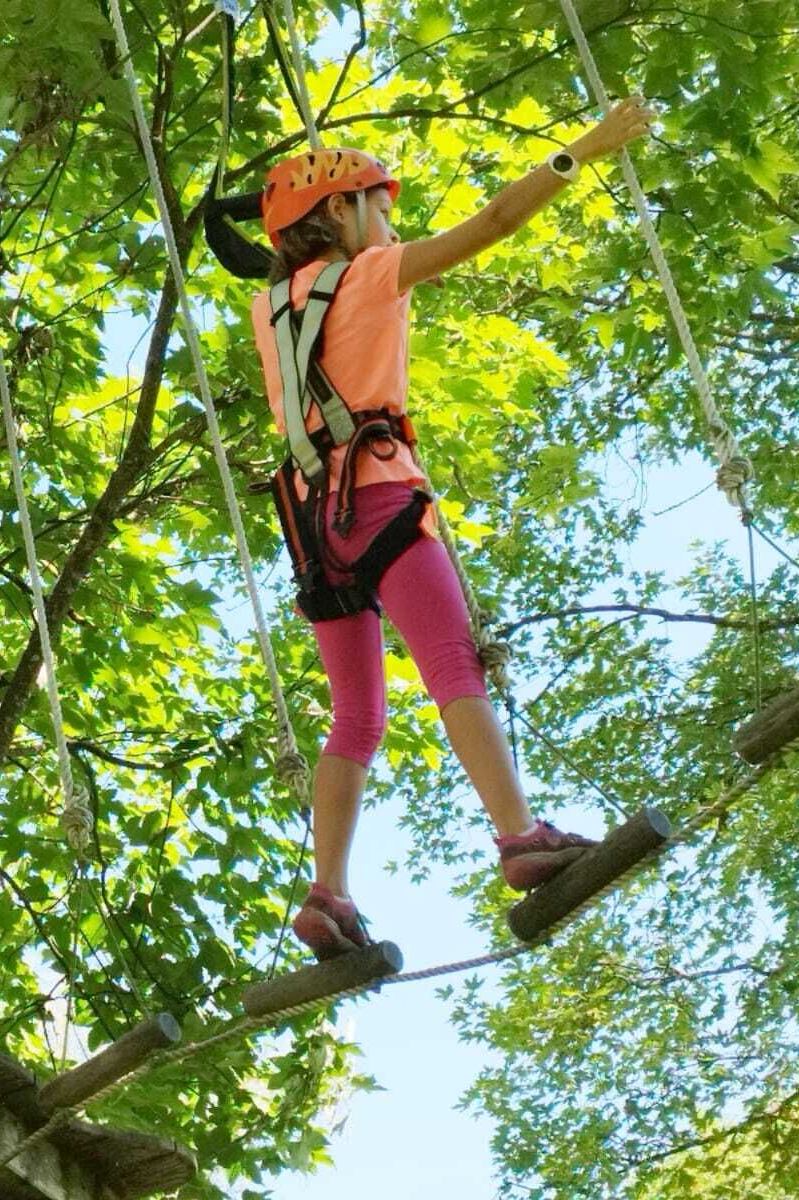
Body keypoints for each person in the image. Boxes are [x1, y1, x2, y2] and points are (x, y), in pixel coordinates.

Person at [251, 98, 656, 960]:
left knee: (356, 716)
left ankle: (328, 893)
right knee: (451, 666)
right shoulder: (372, 273)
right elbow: (495, 222)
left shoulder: (270, 307)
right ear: (339, 210)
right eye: (379, 206)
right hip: (380, 499)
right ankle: (519, 835)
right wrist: (583, 149)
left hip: (316, 530)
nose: (391, 224)